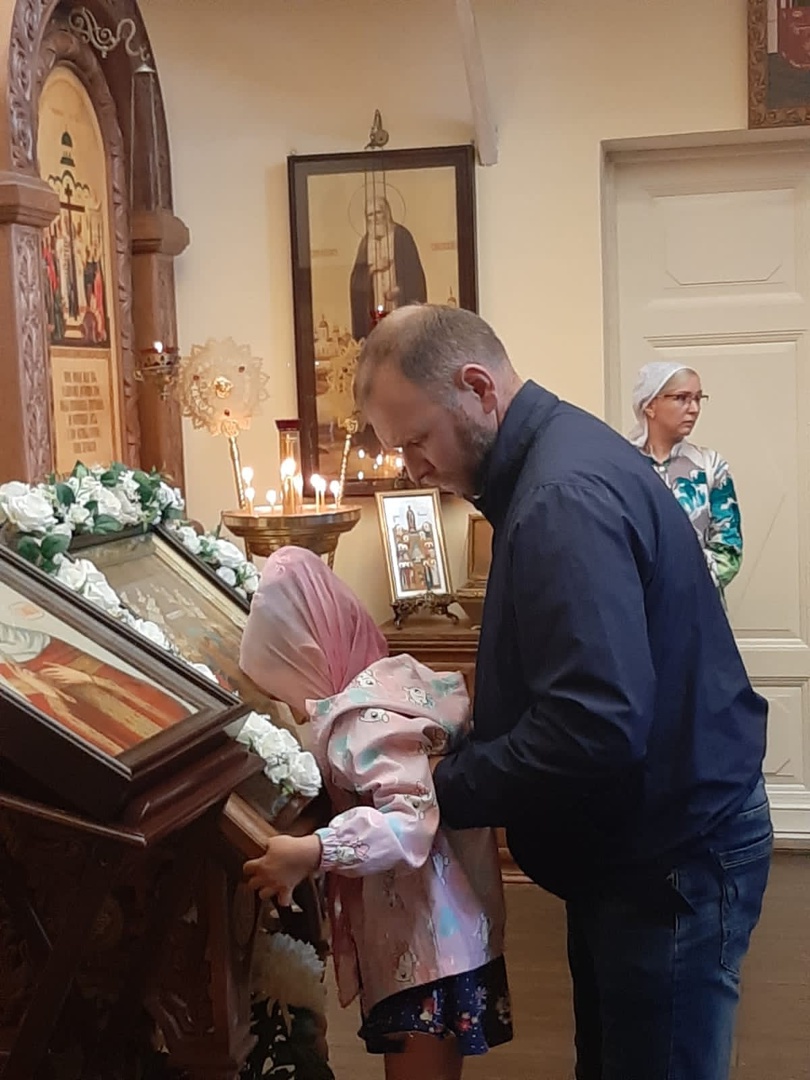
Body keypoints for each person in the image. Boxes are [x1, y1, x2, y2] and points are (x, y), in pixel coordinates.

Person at [354, 304, 771, 1080]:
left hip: (669, 854)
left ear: (478, 388)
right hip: (646, 844)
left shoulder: (560, 495)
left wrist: (445, 787)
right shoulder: (556, 459)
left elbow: (594, 722)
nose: (411, 468)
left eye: (416, 440)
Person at [239, 547, 511, 1080]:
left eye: (286, 686)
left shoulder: (363, 723)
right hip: (448, 934)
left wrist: (314, 850)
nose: (295, 709)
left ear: (308, 657)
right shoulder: (392, 684)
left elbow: (409, 821)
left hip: (422, 947)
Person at [628, 361, 743, 598]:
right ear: (650, 405)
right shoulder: (622, 464)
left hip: (697, 605)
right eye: (681, 398)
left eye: (698, 398)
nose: (694, 409)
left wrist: (684, 585)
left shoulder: (711, 466)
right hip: (635, 607)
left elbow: (729, 548)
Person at [350, 195, 427, 341]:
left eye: (378, 212)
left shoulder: (402, 236)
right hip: (375, 309)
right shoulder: (365, 242)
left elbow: (415, 276)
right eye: (370, 214)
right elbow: (356, 280)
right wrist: (373, 268)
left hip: (398, 306)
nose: (375, 218)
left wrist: (399, 290)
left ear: (387, 212)